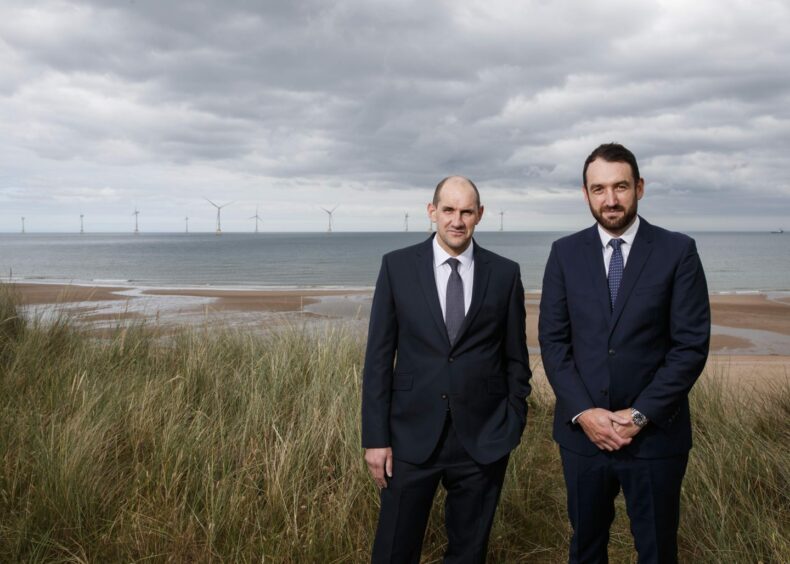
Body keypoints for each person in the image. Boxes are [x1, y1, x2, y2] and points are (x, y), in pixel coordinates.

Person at [539, 143, 711, 564]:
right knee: (585, 548)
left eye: (620, 187)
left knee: (656, 550)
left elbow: (689, 347)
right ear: (586, 194)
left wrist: (638, 416)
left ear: (639, 187)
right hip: (583, 438)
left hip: (655, 438)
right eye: (599, 189)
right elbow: (554, 343)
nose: (610, 199)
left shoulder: (677, 251)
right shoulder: (564, 253)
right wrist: (585, 412)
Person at [362, 176, 532, 563]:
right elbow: (377, 359)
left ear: (480, 215)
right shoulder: (397, 267)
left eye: (467, 211)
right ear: (432, 211)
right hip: (409, 437)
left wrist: (512, 421)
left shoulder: (505, 274)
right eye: (449, 210)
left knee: (468, 554)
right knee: (392, 551)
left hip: (483, 440)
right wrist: (375, 438)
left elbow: (516, 360)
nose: (457, 220)